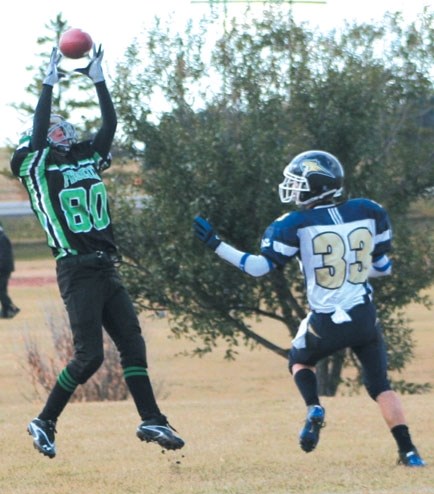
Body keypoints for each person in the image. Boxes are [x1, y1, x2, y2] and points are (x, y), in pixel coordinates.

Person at [193, 149, 425, 467]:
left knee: (299, 361)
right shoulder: (369, 211)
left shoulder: (295, 223)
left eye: (299, 182)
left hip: (326, 319)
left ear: (316, 186)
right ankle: (409, 452)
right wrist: (349, 270)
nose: (293, 188)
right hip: (363, 315)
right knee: (381, 386)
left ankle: (314, 406)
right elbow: (382, 267)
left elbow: (259, 267)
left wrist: (218, 245)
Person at [10, 45, 184, 458]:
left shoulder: (84, 156)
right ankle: (44, 422)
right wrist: (48, 83)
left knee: (133, 345)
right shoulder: (34, 165)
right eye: (52, 129)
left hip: (107, 268)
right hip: (76, 268)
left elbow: (110, 125)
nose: (61, 130)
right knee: (89, 357)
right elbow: (36, 136)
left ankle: (151, 419)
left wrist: (98, 79)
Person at [0, 223, 20, 318]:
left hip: (3, 269)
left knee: (1, 290)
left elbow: (4, 257)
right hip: (4, 268)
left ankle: (12, 308)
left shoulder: (2, 238)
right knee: (2, 290)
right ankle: (6, 312)